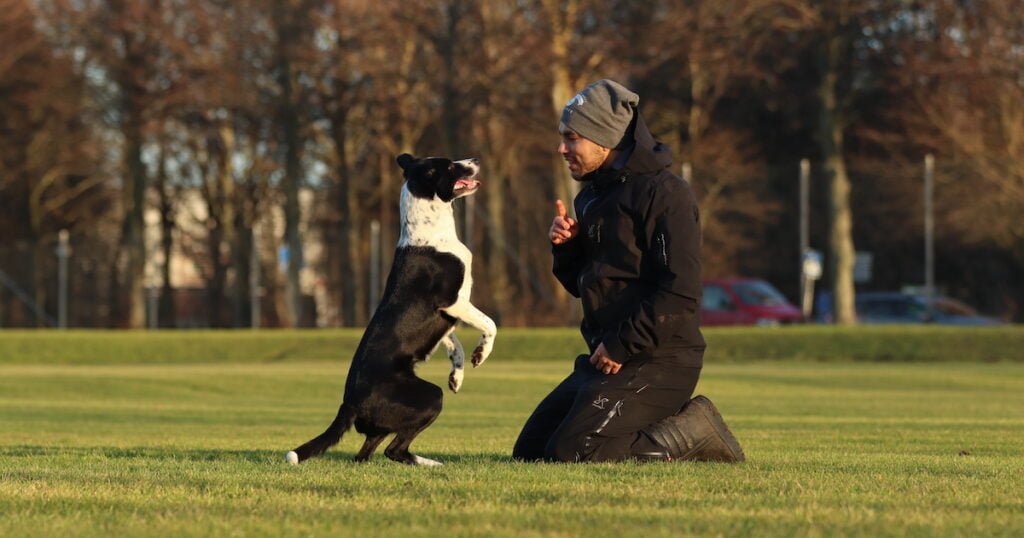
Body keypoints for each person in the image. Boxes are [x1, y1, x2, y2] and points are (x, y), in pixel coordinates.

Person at [512, 79, 744, 463]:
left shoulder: (665, 194)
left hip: (660, 360)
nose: (561, 148)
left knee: (575, 451)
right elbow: (582, 285)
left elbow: (681, 292)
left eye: (572, 138)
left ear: (605, 140)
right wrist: (567, 249)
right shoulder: (591, 196)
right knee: (532, 452)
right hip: (605, 359)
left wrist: (622, 343)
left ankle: (695, 431)